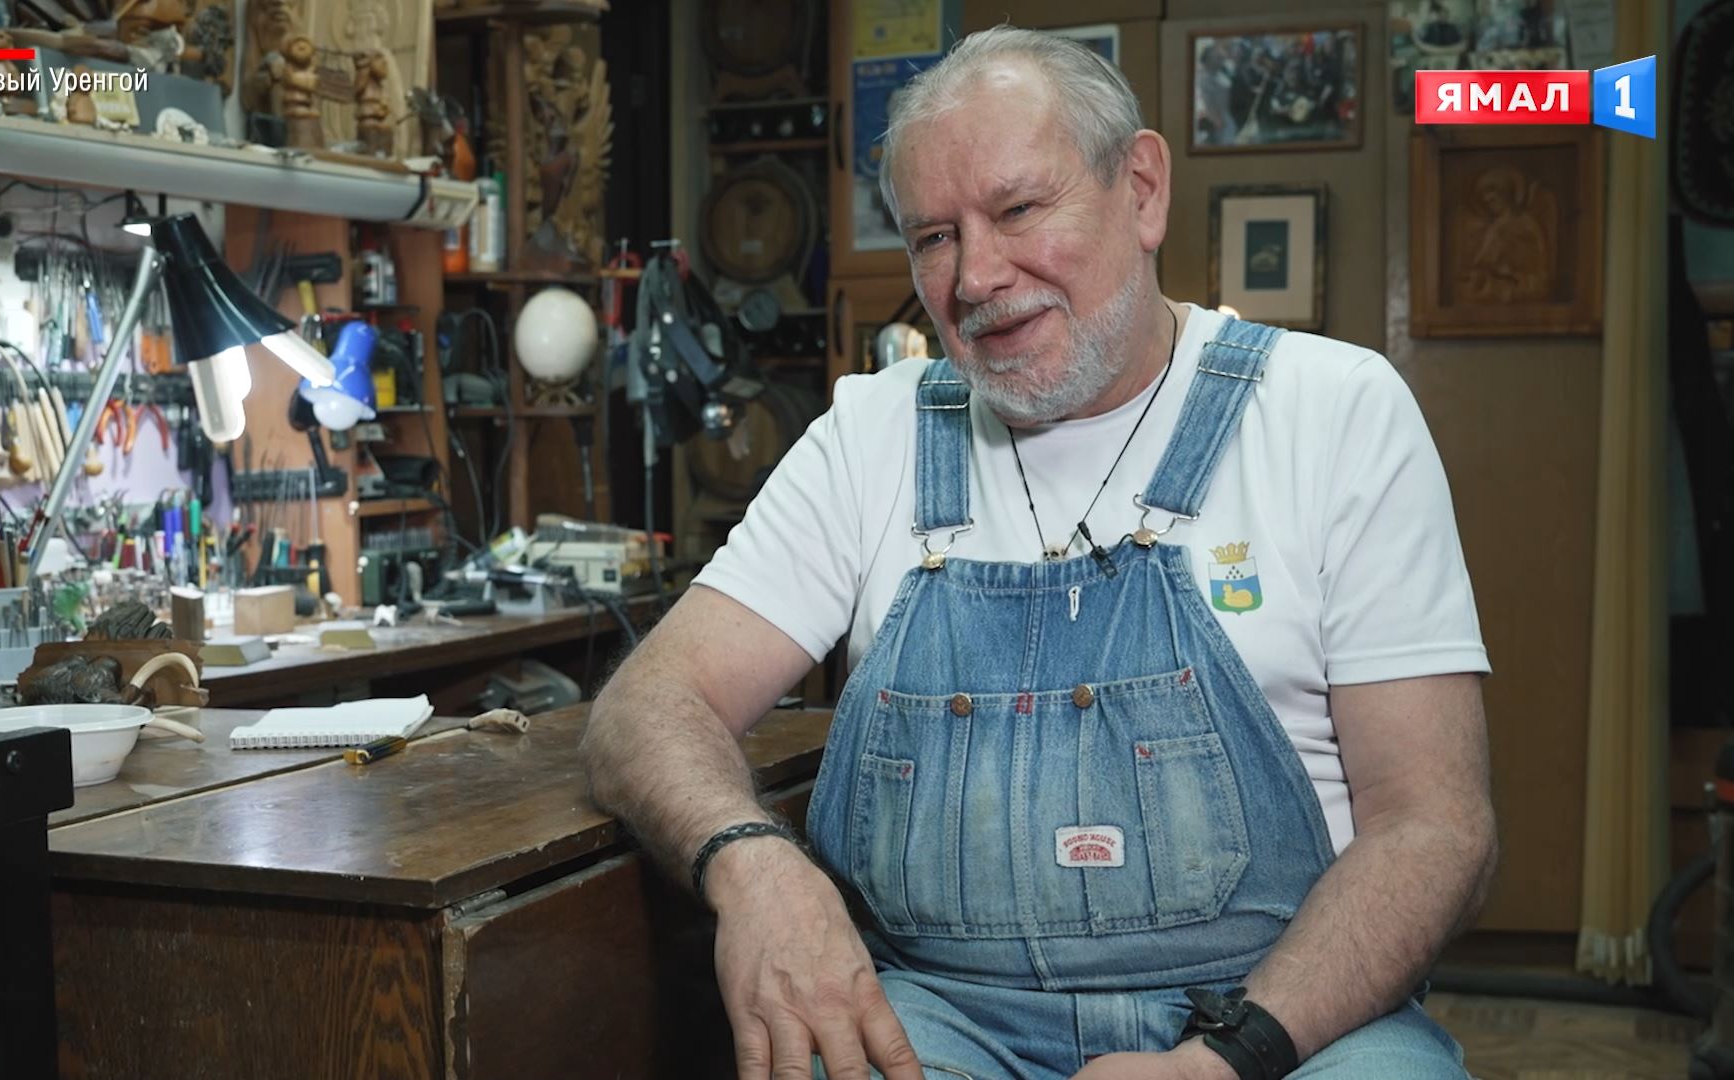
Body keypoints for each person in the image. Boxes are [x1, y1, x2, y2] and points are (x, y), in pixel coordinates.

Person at [583, 25, 1496, 1080]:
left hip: (1284, 1016)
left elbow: (1435, 827)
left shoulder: (1332, 412)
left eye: (1018, 210)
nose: (976, 276)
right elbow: (646, 708)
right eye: (934, 237)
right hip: (943, 1019)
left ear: (1141, 190)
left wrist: (1225, 1059)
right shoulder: (872, 435)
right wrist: (750, 864)